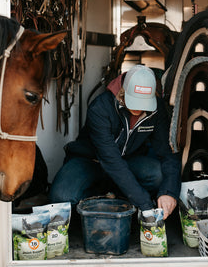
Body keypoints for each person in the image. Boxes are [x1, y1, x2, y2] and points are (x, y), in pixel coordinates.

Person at [49, 65, 181, 220]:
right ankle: (104, 198)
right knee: (61, 197)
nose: (139, 109)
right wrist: (145, 205)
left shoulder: (157, 110)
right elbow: (111, 160)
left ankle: (117, 194)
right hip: (90, 161)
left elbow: (168, 151)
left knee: (158, 174)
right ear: (122, 91)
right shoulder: (100, 108)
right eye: (135, 101)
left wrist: (169, 192)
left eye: (144, 103)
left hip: (129, 161)